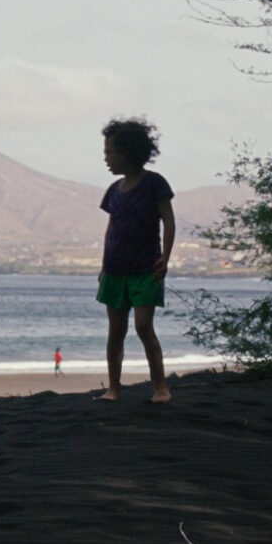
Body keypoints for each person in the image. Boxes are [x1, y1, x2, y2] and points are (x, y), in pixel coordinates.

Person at [95, 117, 175, 404]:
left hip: (145, 268)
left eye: (110, 152)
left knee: (143, 326)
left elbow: (168, 220)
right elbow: (111, 229)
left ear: (128, 152)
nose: (106, 158)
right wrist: (104, 267)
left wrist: (165, 258)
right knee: (115, 331)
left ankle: (161, 386)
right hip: (115, 270)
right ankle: (113, 388)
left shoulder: (154, 184)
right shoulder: (113, 190)